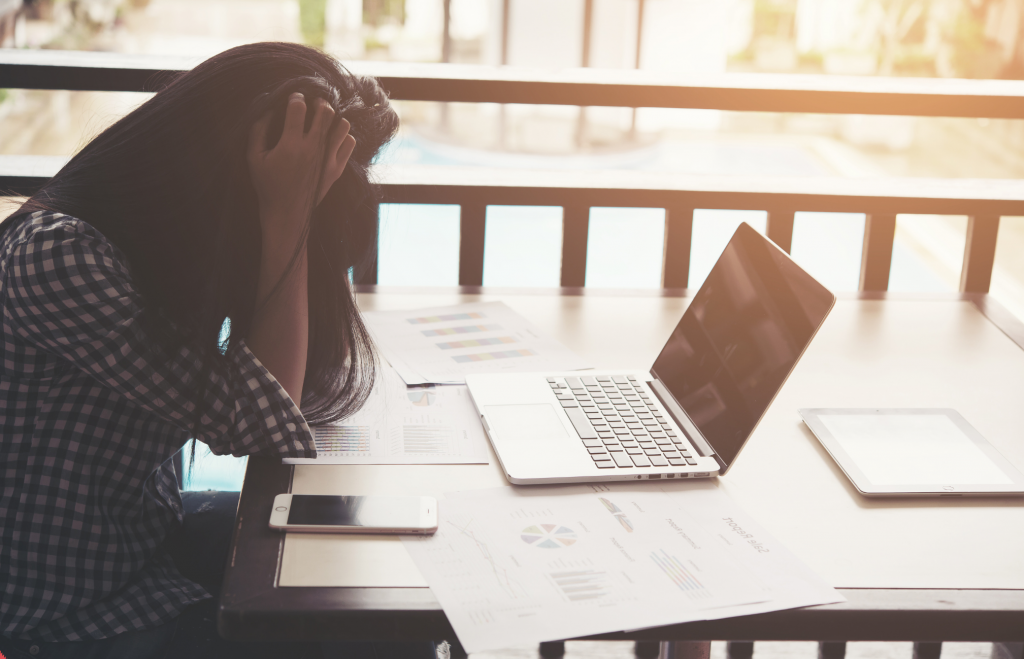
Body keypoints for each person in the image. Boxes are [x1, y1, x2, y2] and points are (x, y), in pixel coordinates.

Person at [0, 42, 433, 658]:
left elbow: (292, 397)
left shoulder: (162, 250)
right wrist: (288, 214)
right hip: (65, 613)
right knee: (382, 638)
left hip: (141, 543)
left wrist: (290, 212)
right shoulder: (60, 257)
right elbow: (267, 427)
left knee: (382, 567)